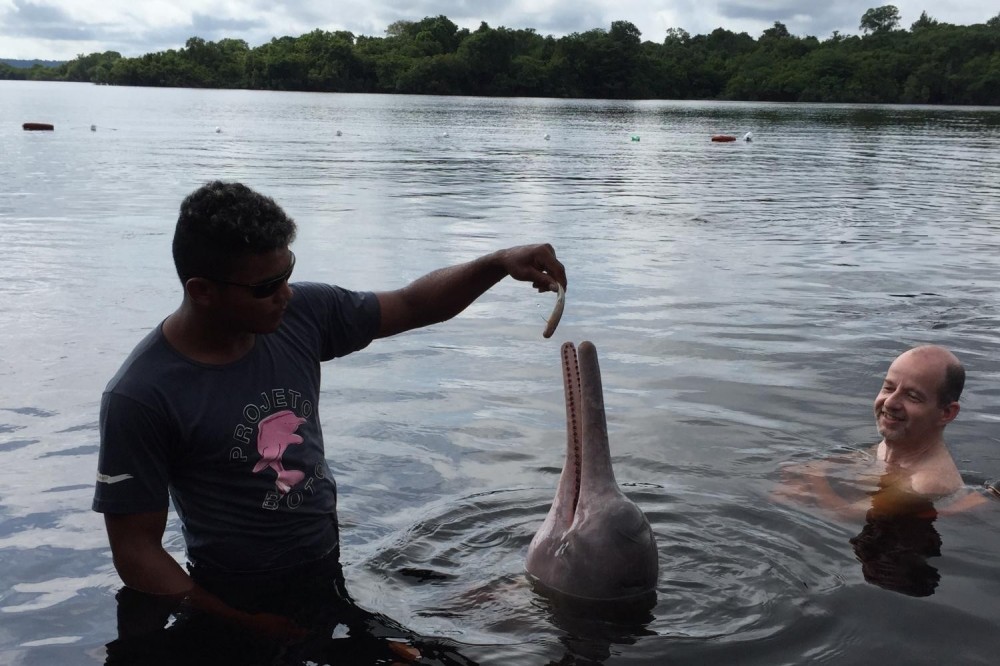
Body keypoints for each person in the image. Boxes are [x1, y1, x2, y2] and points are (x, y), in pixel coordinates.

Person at [92, 180, 567, 663]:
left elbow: (412, 304)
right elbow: (137, 552)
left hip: (324, 570)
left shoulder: (301, 315)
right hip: (232, 598)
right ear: (203, 291)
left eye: (287, 274)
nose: (284, 295)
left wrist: (495, 263)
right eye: (265, 287)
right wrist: (239, 621)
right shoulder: (141, 395)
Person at [775, 344, 988, 518]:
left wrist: (815, 478)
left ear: (946, 413)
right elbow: (856, 461)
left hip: (896, 560)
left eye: (912, 396)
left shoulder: (927, 482)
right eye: (888, 388)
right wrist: (807, 473)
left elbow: (842, 515)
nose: (890, 402)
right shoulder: (895, 445)